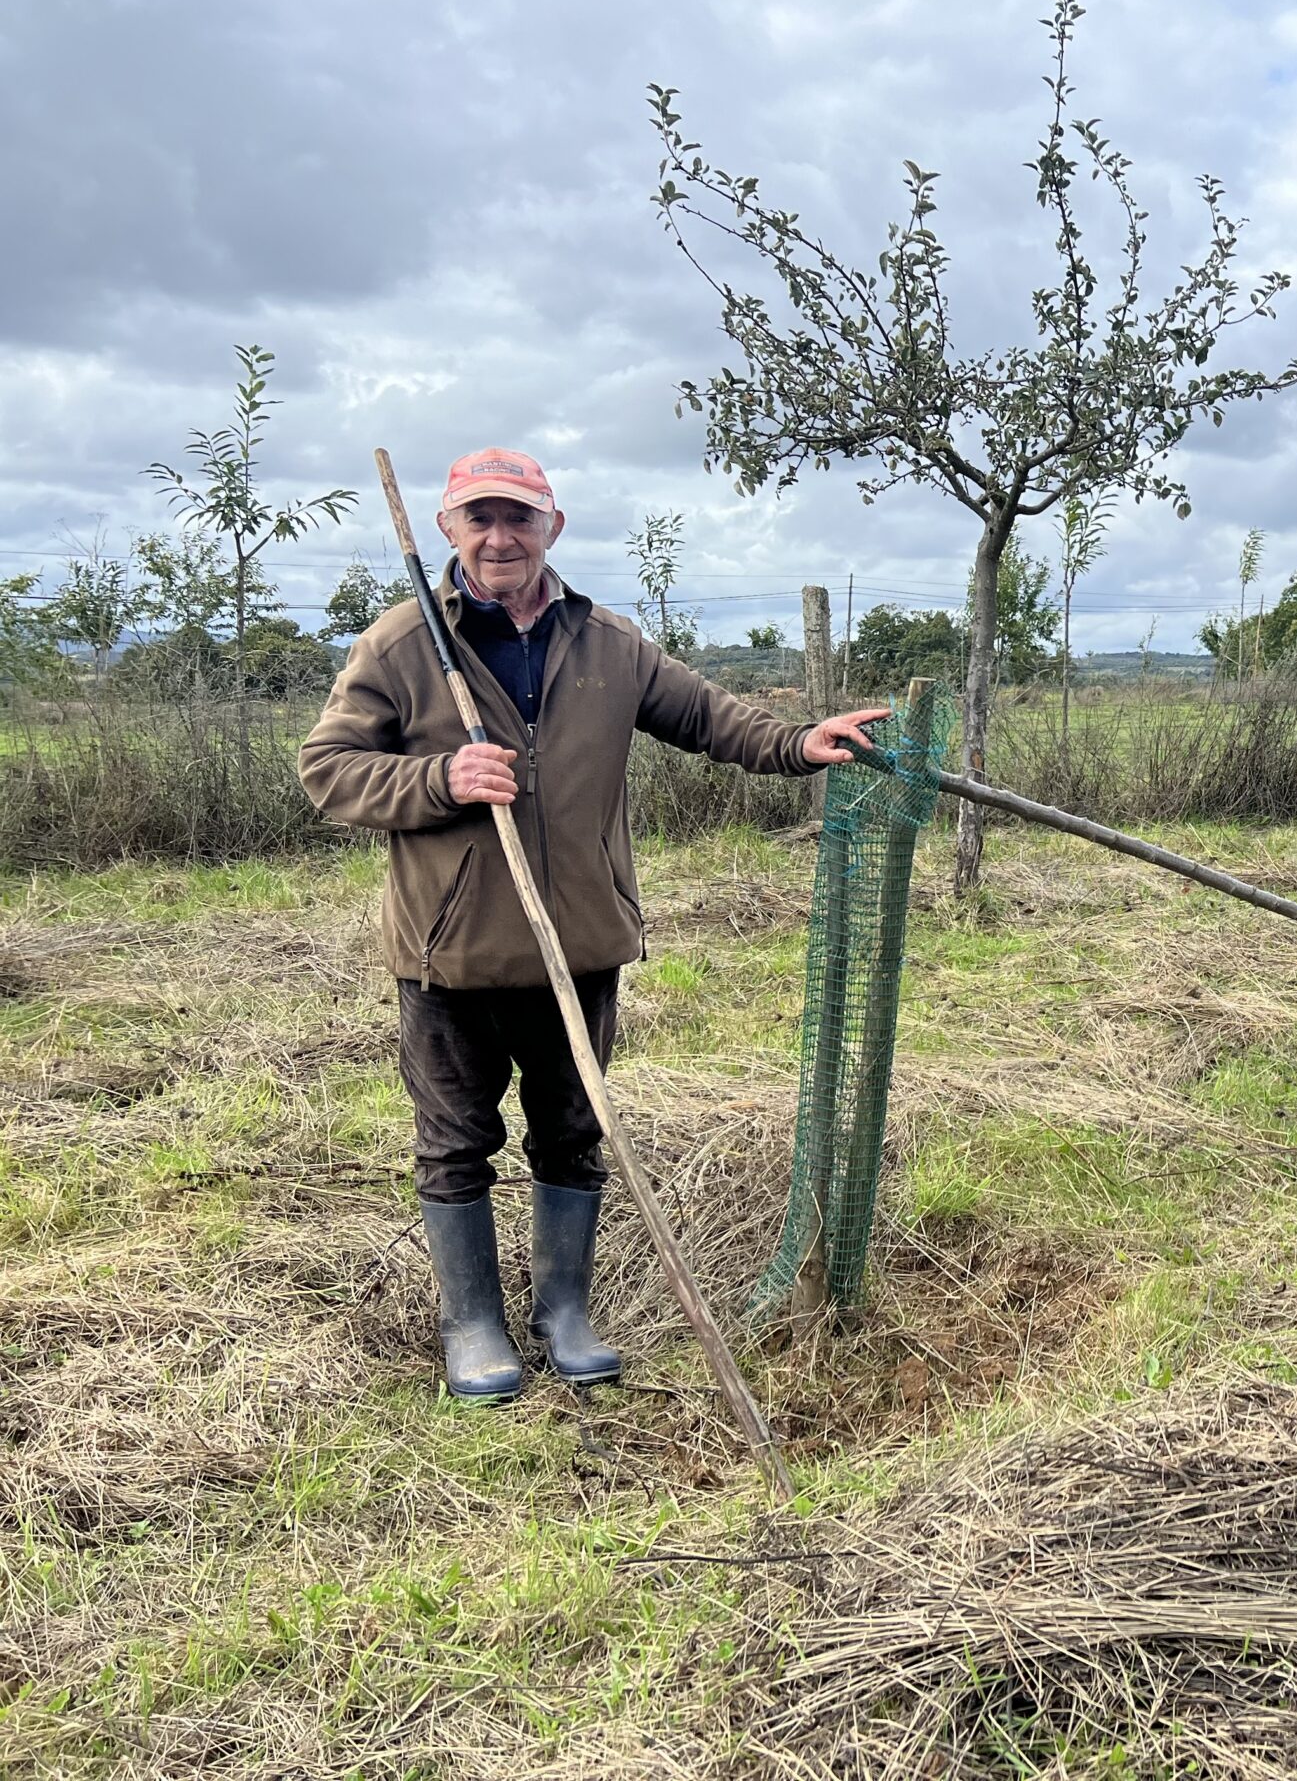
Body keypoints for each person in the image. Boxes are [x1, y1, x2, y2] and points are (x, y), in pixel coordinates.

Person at [301, 446, 887, 1404]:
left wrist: (799, 744)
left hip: (577, 945)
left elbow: (709, 718)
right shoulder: (404, 644)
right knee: (455, 1141)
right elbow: (327, 769)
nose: (501, 538)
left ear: (553, 529)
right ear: (448, 529)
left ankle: (563, 1312)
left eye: (520, 518)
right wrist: (437, 780)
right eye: (479, 518)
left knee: (574, 1132)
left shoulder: (607, 642)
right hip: (451, 952)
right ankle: (475, 1325)